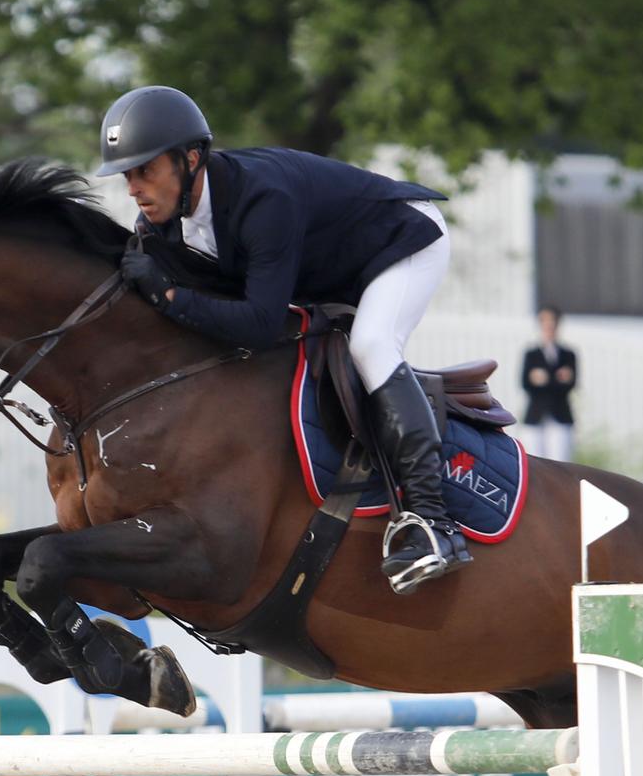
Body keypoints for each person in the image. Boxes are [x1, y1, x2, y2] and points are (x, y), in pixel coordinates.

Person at [99, 85, 470, 594]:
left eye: (146, 171)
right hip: (333, 266)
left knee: (372, 344)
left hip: (402, 241)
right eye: (127, 175)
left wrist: (167, 296)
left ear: (189, 160)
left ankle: (432, 523)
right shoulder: (163, 224)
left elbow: (257, 322)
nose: (134, 189)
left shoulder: (262, 200)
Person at [520, 306, 578, 461]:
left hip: (560, 414)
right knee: (534, 464)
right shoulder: (531, 354)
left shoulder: (568, 354)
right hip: (536, 415)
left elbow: (571, 384)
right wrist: (556, 378)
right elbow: (526, 383)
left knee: (560, 463)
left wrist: (544, 379)